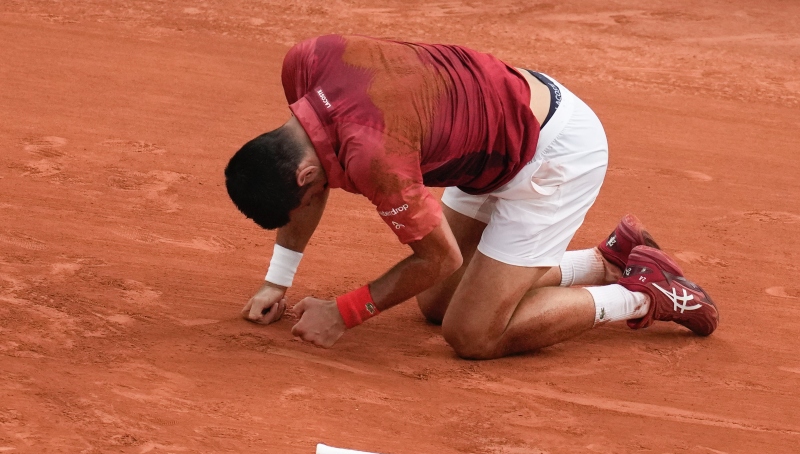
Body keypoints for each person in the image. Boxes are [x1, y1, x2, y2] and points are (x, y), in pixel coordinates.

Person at [224, 34, 718, 359]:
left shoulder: (374, 157)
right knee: (437, 305)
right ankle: (605, 261)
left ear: (308, 173)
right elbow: (305, 182)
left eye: (307, 197)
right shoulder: (304, 62)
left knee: (474, 334)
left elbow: (438, 258)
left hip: (554, 155)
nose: (311, 203)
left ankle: (641, 294)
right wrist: (277, 281)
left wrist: (347, 311)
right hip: (492, 129)